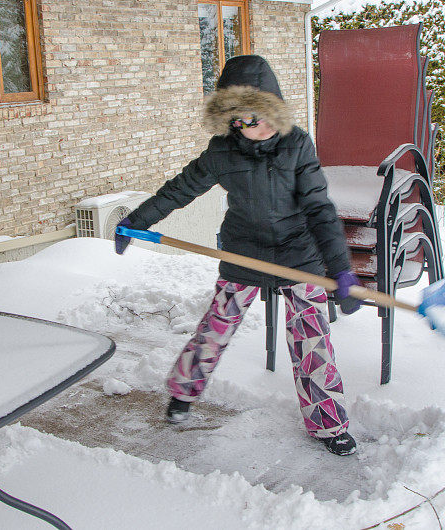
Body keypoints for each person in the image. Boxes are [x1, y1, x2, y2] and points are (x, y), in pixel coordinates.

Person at [114, 55, 362, 456]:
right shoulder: (221, 152)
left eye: (254, 116)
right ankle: (182, 394)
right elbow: (180, 189)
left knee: (311, 341)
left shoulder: (297, 145)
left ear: (272, 110)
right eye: (236, 119)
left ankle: (328, 424)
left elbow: (319, 208)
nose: (247, 127)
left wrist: (341, 271)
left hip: (300, 255)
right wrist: (138, 219)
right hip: (245, 253)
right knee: (215, 327)